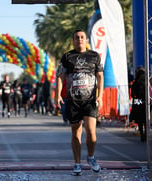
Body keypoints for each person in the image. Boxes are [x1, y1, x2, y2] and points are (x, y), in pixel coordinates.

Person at [55, 29, 104, 176]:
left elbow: (100, 77)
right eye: (77, 37)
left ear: (87, 40)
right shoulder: (67, 57)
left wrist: (100, 96)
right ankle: (77, 164)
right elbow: (60, 77)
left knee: (91, 132)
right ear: (73, 40)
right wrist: (58, 95)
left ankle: (91, 157)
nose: (80, 39)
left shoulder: (94, 56)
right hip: (73, 101)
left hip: (89, 101)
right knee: (76, 132)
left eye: (82, 37)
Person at [130, 66, 147, 142]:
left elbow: (133, 95)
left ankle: (143, 134)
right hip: (141, 102)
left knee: (142, 119)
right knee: (143, 119)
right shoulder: (138, 84)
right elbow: (133, 95)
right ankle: (143, 134)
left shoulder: (144, 84)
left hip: (140, 102)